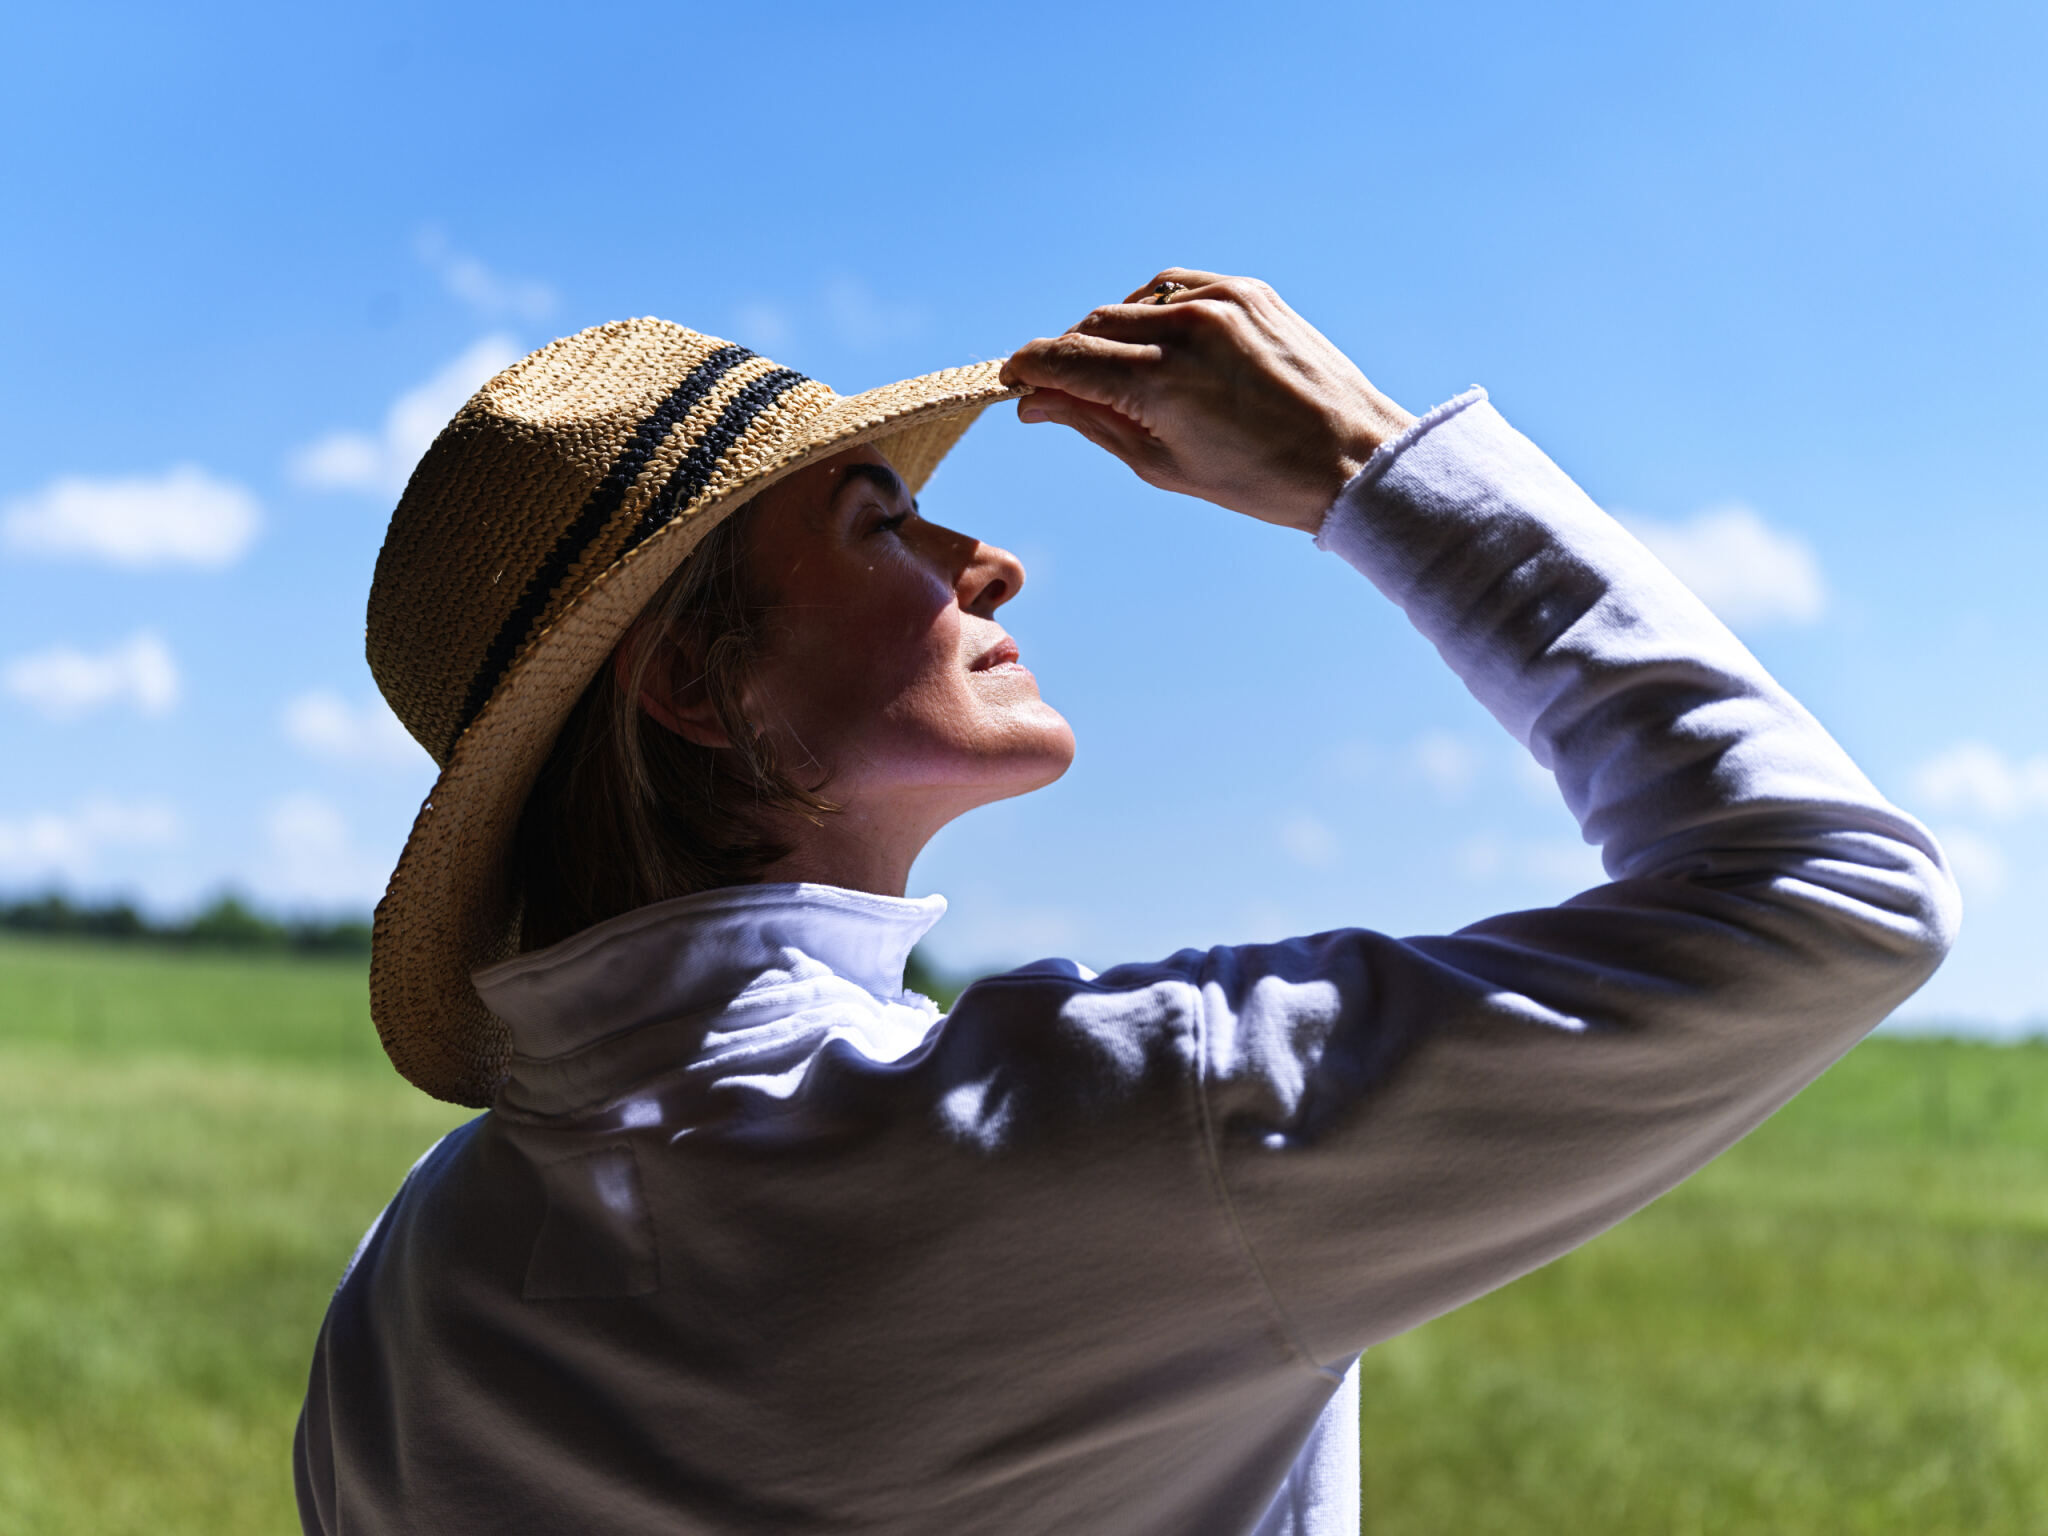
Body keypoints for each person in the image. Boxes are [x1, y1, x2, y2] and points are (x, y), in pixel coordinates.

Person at [294, 271, 1958, 1536]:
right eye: (882, 524)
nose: (985, 562)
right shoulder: (1116, 1122)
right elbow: (1835, 891)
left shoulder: (410, 1297)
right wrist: (1370, 471)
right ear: (687, 683)